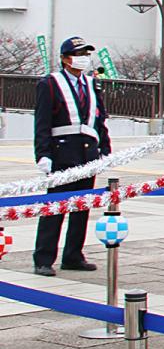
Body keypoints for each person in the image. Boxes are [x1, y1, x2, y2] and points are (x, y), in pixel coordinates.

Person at [32, 36, 108, 276]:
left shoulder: (91, 84)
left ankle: (73, 255)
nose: (84, 59)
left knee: (81, 208)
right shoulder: (50, 84)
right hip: (62, 152)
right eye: (79, 54)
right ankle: (44, 257)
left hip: (88, 153)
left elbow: (99, 119)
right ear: (65, 58)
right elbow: (42, 122)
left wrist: (105, 149)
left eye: (86, 54)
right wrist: (42, 154)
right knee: (55, 207)